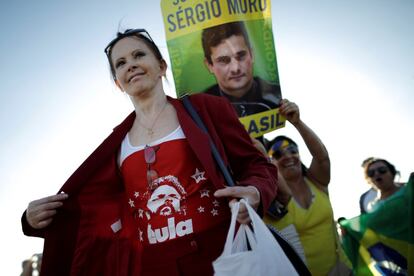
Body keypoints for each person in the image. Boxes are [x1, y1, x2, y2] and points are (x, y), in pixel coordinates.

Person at [21, 29, 277, 275]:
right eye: (120, 63)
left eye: (139, 55)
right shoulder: (116, 143)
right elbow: (87, 214)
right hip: (154, 267)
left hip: (224, 254)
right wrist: (31, 219)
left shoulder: (207, 109)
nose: (130, 65)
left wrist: (255, 192)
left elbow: (258, 165)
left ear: (162, 66)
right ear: (118, 83)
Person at [264, 99, 350, 276]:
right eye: (278, 154)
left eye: (293, 150)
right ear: (270, 161)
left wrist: (297, 122)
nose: (288, 156)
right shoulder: (276, 197)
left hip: (344, 270)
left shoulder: (317, 182)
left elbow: (322, 158)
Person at [201, 21, 282, 117]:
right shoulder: (202, 109)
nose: (235, 68)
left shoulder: (277, 98)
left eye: (241, 56)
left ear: (252, 54)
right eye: (223, 60)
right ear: (209, 65)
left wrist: (297, 122)